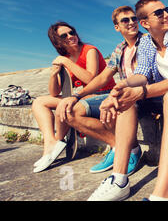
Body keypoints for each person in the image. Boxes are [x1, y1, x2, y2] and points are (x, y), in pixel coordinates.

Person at [89, 0, 168, 201]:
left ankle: (160, 196)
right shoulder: (145, 44)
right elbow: (142, 74)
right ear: (145, 23)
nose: (166, 15)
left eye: (166, 10)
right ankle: (119, 180)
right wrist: (121, 88)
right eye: (159, 13)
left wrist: (142, 92)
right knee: (127, 100)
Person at [55, 6, 145, 183]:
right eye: (125, 20)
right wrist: (77, 96)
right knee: (71, 112)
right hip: (121, 94)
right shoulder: (120, 49)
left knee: (115, 102)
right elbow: (103, 77)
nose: (131, 22)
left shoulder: (148, 42)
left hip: (142, 95)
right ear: (117, 27)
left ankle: (131, 150)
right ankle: (118, 147)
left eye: (134, 18)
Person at [32, 21, 115, 173]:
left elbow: (91, 79)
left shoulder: (89, 50)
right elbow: (54, 93)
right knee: (39, 102)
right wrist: (54, 74)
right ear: (57, 41)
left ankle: (57, 142)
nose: (71, 36)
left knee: (65, 104)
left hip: (101, 93)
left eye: (72, 33)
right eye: (64, 35)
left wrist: (65, 62)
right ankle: (51, 142)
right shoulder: (65, 57)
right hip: (80, 97)